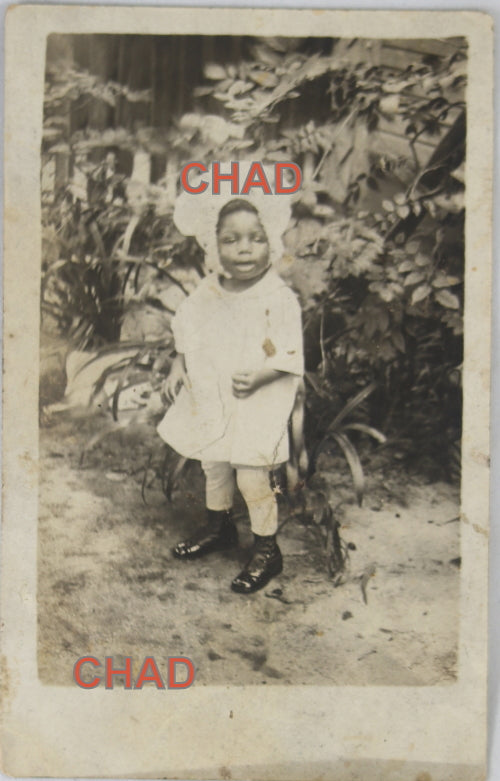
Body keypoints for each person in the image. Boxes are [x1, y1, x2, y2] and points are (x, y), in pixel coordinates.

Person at [157, 188, 303, 595]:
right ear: (213, 245)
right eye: (231, 239)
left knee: (253, 474)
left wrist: (262, 374)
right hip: (214, 392)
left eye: (256, 238)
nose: (244, 249)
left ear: (271, 243)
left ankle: (267, 548)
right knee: (215, 462)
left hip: (257, 399)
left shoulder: (277, 298)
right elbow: (186, 326)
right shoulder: (210, 290)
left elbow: (288, 350)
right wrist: (177, 362)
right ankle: (218, 527)